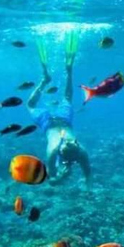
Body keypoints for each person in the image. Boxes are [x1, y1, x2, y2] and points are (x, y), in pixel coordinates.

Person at [26, 31, 91, 183]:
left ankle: (62, 74)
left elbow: (87, 174)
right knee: (30, 105)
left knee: (66, 97)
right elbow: (52, 180)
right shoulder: (55, 150)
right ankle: (51, 77)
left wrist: (62, 175)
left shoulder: (78, 151)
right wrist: (61, 177)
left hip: (63, 120)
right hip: (48, 123)